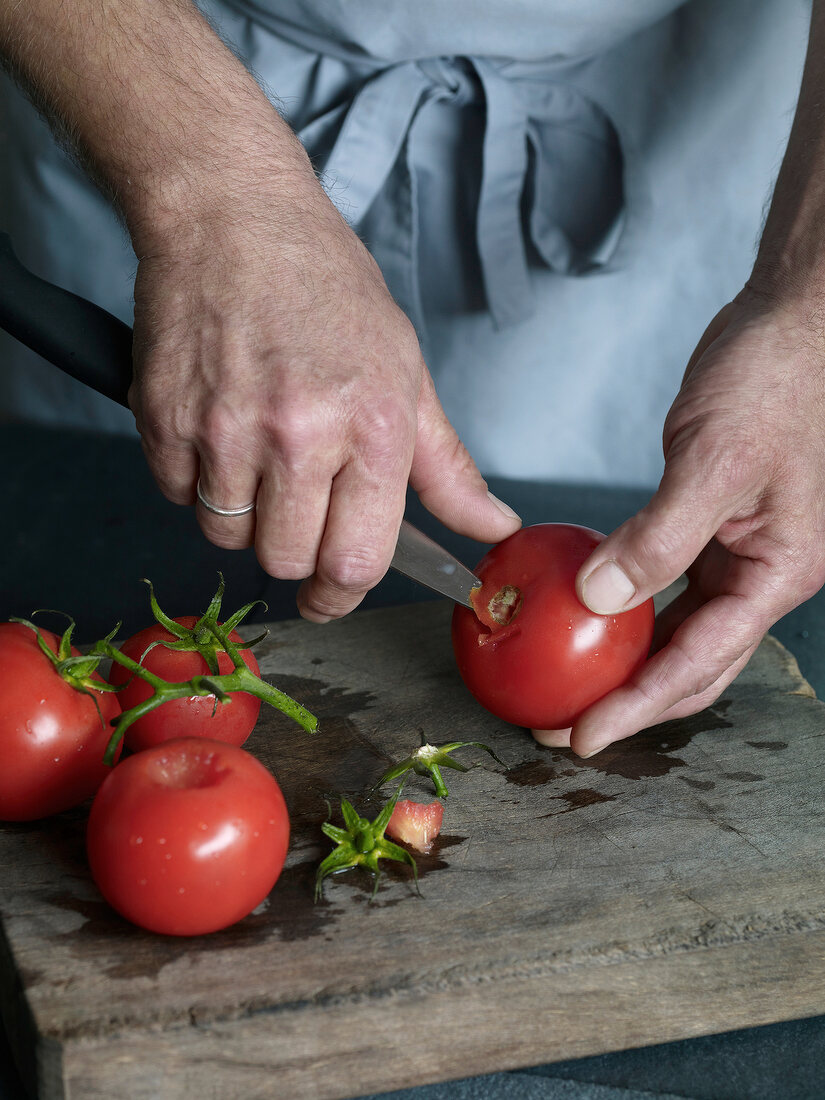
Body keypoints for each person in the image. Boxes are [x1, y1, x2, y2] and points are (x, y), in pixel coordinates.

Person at [0, 0, 821, 760]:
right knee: (115, 503)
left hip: (660, 109)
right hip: (157, 76)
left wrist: (809, 313)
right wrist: (218, 198)